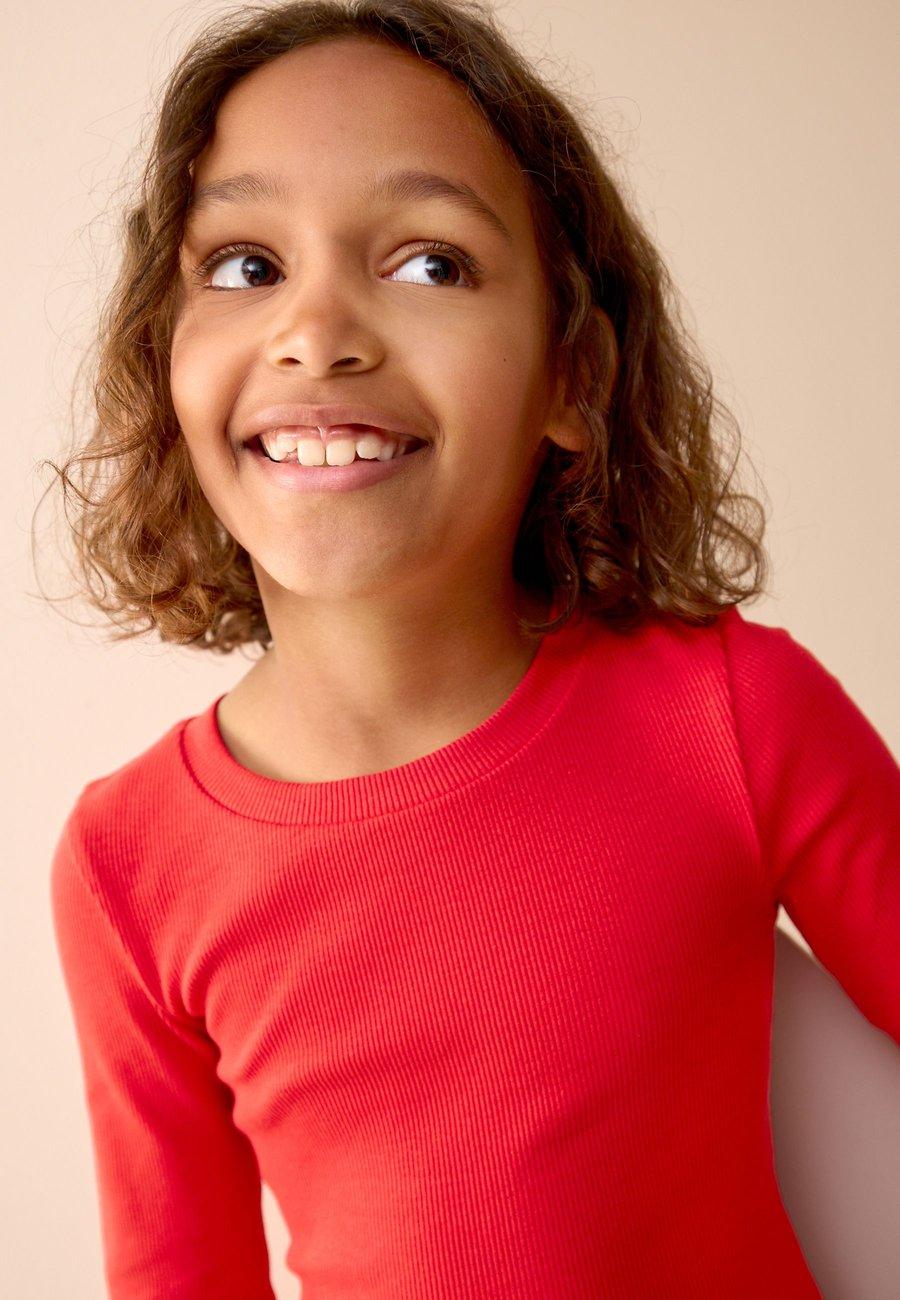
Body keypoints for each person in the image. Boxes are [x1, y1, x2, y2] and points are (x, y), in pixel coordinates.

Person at [41, 2, 899, 1297]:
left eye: (431, 264)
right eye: (245, 265)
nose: (316, 331)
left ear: (573, 377)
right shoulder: (125, 865)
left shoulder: (733, 709)